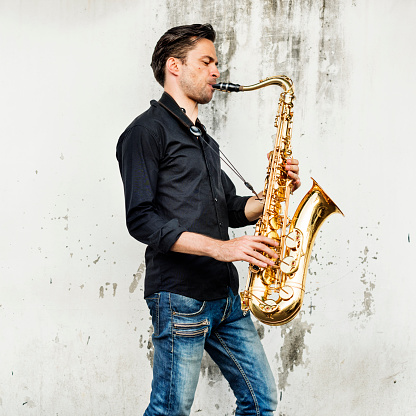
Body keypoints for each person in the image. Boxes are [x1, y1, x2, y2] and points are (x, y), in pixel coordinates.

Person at [116, 23, 301, 416]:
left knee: (261, 401)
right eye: (207, 61)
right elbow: (142, 220)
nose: (217, 71)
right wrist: (222, 249)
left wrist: (273, 195)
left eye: (216, 62)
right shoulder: (145, 132)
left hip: (226, 297)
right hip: (181, 297)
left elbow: (232, 208)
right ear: (175, 67)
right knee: (170, 412)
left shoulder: (204, 139)